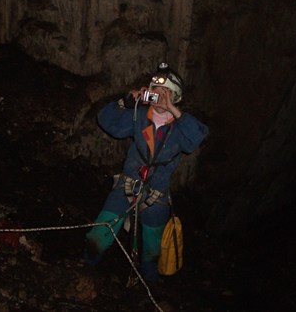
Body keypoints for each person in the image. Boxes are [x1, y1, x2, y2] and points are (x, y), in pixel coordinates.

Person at [84, 62, 209, 282]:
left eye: (166, 92)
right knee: (99, 233)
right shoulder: (139, 116)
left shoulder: (181, 127)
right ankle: (85, 270)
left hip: (157, 196)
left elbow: (197, 138)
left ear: (175, 97)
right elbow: (107, 123)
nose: (159, 96)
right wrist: (124, 103)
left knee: (152, 248)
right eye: (156, 91)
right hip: (128, 184)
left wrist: (173, 110)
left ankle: (149, 285)